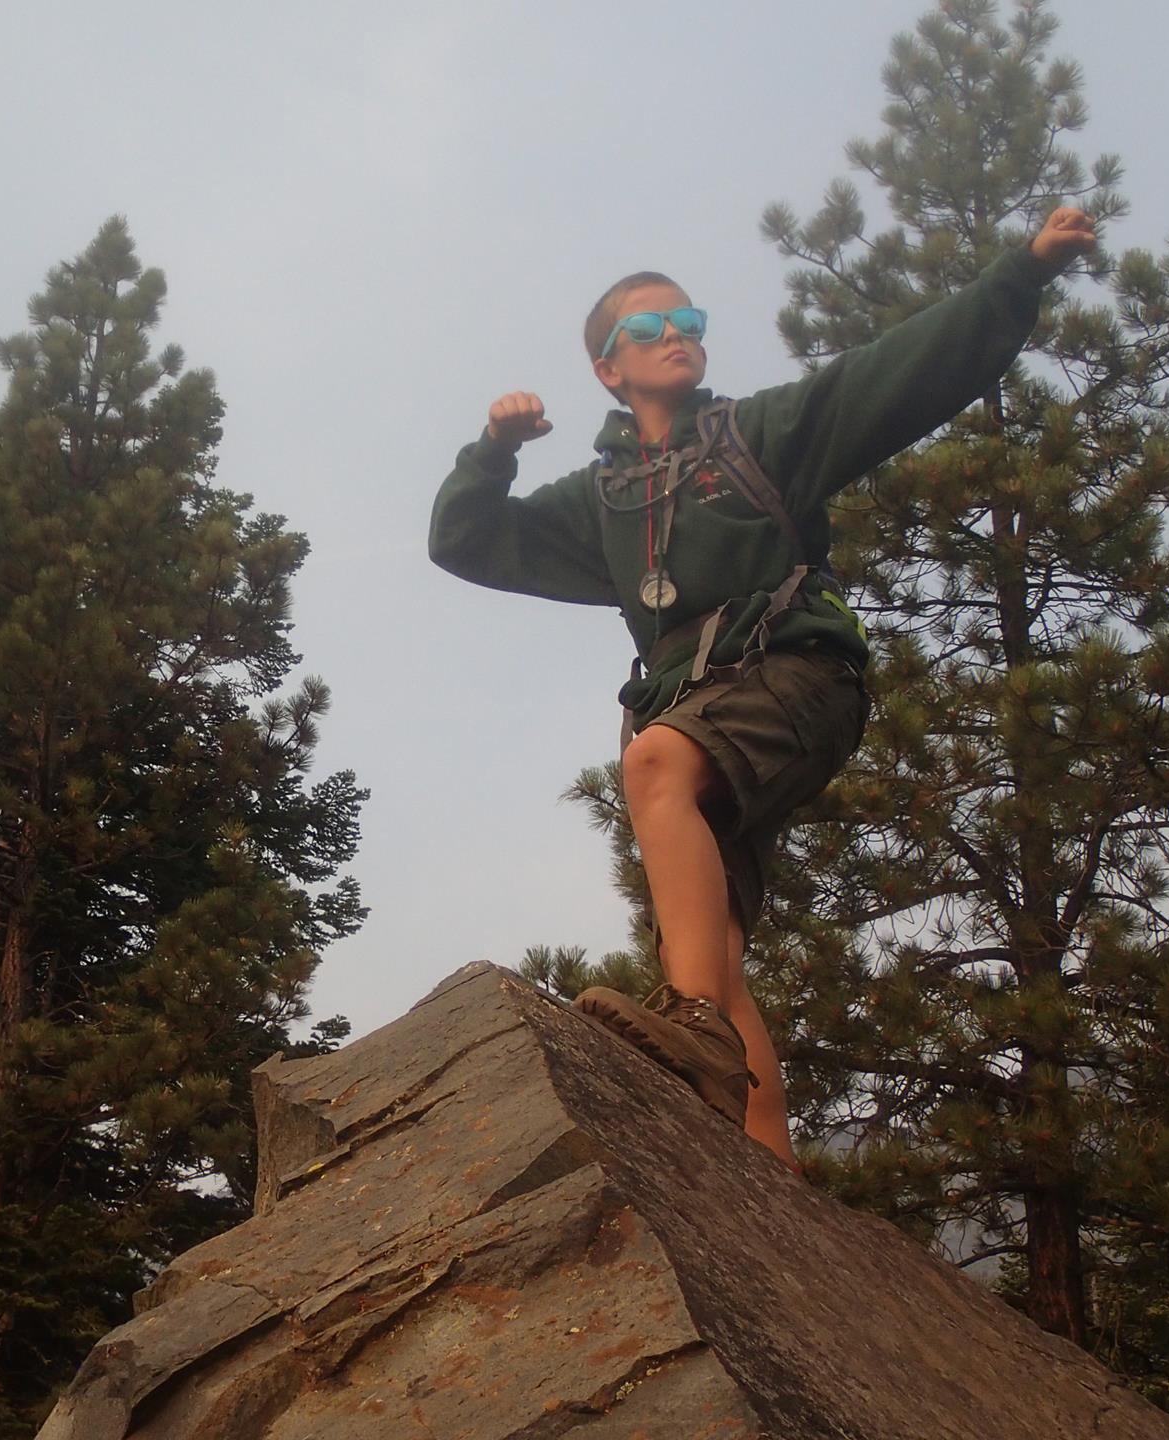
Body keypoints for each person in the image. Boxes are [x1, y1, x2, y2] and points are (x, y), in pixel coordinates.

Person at [428, 208, 1096, 1171]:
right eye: (650, 327)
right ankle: (768, 1174)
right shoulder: (601, 501)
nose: (678, 336)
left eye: (690, 321)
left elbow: (901, 369)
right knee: (707, 947)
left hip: (797, 670)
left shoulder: (763, 433)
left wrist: (1022, 271)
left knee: (654, 769)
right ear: (608, 368)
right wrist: (495, 448)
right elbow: (463, 539)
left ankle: (695, 1027)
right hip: (694, 705)